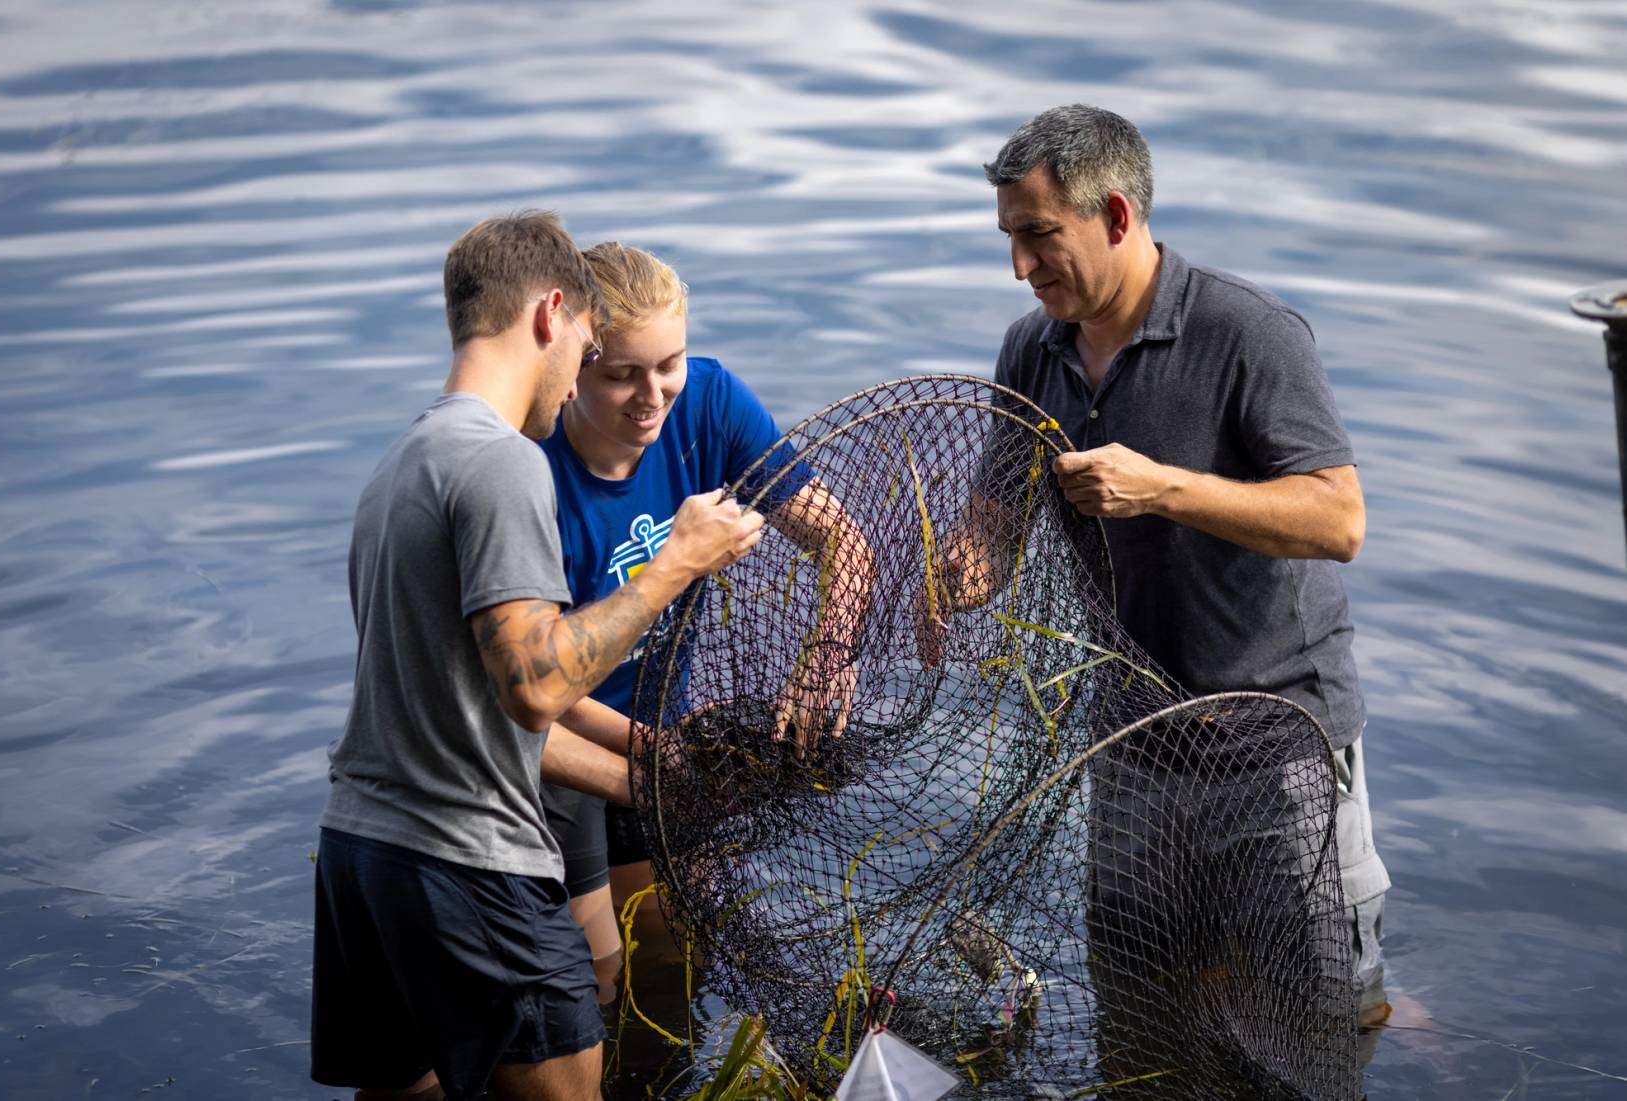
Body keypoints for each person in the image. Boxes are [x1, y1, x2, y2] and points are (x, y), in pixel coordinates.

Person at [930, 103, 1389, 1065]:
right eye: (1009, 239)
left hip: (1276, 745)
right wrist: (951, 579)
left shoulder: (1245, 332)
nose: (1020, 266)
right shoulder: (1031, 348)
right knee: (1141, 1019)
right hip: (1132, 743)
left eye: (1038, 236)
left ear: (1114, 214)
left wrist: (1162, 487)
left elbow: (1337, 520)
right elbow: (992, 528)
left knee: (1316, 1016)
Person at [310, 212, 765, 1101]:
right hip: (470, 862)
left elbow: (450, 708)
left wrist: (651, 781)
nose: (579, 378)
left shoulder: (400, 464)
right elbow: (533, 685)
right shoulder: (505, 463)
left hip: (359, 857)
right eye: (593, 344)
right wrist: (677, 561)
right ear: (551, 313)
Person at [537, 241, 873, 989]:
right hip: (557, 742)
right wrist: (654, 754)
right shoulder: (532, 467)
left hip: (661, 723)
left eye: (668, 364)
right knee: (595, 973)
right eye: (621, 373)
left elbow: (843, 542)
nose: (652, 395)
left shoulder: (710, 403)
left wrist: (827, 652)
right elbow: (536, 692)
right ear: (572, 364)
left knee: (675, 955)